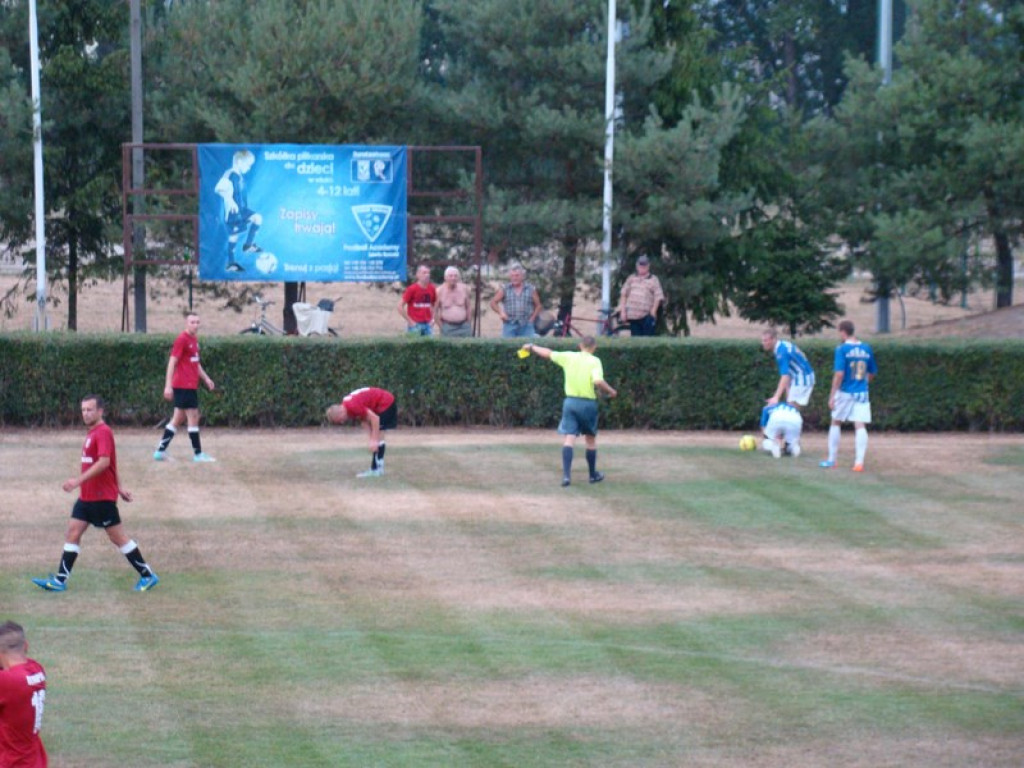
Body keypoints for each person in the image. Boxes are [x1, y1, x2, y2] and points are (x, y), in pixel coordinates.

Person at [33, 395, 160, 593]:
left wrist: (77, 481)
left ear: (100, 411)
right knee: (73, 532)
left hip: (101, 498)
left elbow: (104, 462)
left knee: (118, 538)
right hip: (87, 497)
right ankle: (60, 580)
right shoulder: (93, 432)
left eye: (90, 409)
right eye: (83, 410)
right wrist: (119, 487)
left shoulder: (103, 432)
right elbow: (111, 465)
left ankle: (148, 575)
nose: (85, 413)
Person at [521, 337, 618, 487]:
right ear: (594, 347)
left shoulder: (569, 357)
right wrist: (611, 391)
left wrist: (532, 347)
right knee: (590, 440)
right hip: (587, 404)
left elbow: (548, 353)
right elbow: (598, 381)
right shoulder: (595, 361)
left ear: (580, 345)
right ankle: (592, 475)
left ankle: (566, 476)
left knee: (569, 439)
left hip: (570, 402)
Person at [154, 314, 216, 463]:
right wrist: (168, 385)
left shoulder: (194, 340)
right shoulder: (182, 339)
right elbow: (172, 362)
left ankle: (160, 452)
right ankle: (198, 454)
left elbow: (196, 363)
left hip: (190, 385)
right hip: (183, 385)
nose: (195, 325)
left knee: (177, 419)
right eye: (192, 322)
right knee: (193, 417)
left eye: (197, 322)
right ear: (186, 324)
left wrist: (206, 378)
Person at [820, 320, 878, 472]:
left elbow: (839, 374)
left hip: (845, 391)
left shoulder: (842, 349)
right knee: (860, 424)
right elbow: (872, 373)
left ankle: (832, 459)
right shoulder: (866, 348)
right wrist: (863, 383)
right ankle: (859, 463)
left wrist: (832, 395)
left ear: (843, 332)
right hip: (862, 392)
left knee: (836, 421)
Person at [0, 621, 48, 768]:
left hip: (13, 762)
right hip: (34, 760)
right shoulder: (37, 669)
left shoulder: (8, 681)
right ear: (26, 645)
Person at [326, 387, 397, 478]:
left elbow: (375, 419)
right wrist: (371, 438)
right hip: (380, 402)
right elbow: (363, 420)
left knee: (379, 436)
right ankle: (376, 469)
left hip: (385, 402)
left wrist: (374, 440)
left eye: (340, 420)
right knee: (376, 437)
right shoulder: (347, 407)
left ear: (341, 413)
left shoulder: (352, 406)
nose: (342, 422)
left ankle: (377, 470)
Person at [214, 148, 263, 273]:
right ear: (240, 161)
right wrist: (229, 200)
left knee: (258, 218)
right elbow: (218, 188)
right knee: (233, 236)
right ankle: (231, 263)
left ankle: (248, 245)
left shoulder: (239, 176)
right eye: (248, 165)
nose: (249, 168)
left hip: (242, 210)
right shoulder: (230, 174)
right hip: (233, 213)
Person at [760, 328, 815, 408]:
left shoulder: (781, 352)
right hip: (800, 377)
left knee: (792, 409)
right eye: (762, 340)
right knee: (791, 407)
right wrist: (788, 392)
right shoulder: (781, 346)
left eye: (765, 340)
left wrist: (776, 397)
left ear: (773, 339)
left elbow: (784, 375)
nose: (763, 343)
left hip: (802, 378)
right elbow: (788, 373)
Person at [490, 263, 542, 337]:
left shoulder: (531, 289)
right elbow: (493, 303)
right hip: (509, 324)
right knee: (508, 347)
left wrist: (532, 318)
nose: (514, 278)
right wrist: (501, 312)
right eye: (512, 276)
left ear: (522, 276)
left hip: (526, 325)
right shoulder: (505, 289)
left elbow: (538, 305)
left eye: (517, 275)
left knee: (528, 347)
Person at [617, 255, 664, 336]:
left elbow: (658, 297)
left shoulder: (653, 279)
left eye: (644, 266)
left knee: (647, 341)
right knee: (636, 341)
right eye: (640, 266)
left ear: (648, 266)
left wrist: (653, 311)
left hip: (647, 316)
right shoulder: (631, 278)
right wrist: (623, 311)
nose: (642, 268)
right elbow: (623, 294)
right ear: (637, 266)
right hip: (633, 316)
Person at [399, 264, 437, 336]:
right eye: (424, 273)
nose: (427, 275)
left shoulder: (432, 288)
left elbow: (434, 305)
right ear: (418, 275)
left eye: (428, 273)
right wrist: (410, 321)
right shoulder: (412, 289)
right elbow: (400, 306)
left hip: (428, 324)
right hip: (415, 325)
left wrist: (433, 319)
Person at [435, 266, 473, 337]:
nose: (453, 278)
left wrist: (468, 323)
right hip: (447, 327)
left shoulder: (464, 289)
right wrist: (441, 326)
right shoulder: (439, 291)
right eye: (450, 276)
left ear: (458, 278)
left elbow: (469, 307)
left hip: (464, 326)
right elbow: (434, 310)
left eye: (455, 276)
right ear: (445, 277)